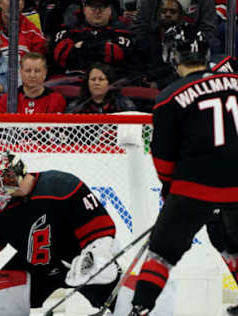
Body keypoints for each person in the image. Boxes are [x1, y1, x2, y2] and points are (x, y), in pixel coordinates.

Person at [0, 151, 121, 315]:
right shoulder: (0, 211)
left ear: (18, 173)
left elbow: (98, 229)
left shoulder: (61, 185)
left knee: (128, 305)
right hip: (36, 267)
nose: (1, 188)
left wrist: (99, 254)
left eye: (5, 180)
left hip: (79, 263)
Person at [128, 24, 238, 316]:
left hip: (195, 186)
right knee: (233, 243)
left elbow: (163, 159)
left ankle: (140, 309)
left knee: (161, 254)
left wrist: (170, 192)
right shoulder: (235, 80)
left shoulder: (168, 97)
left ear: (172, 55)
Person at [53, 0, 135, 78]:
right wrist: (102, 48)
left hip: (109, 82)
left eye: (103, 6)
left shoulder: (123, 31)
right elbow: (61, 55)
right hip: (70, 79)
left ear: (110, 10)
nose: (98, 11)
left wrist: (80, 46)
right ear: (84, 9)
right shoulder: (68, 29)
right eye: (93, 6)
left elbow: (117, 56)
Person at [0, 52, 66, 113]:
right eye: (28, 71)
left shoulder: (56, 100)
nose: (32, 75)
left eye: (37, 71)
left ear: (45, 72)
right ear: (21, 72)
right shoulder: (6, 100)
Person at [66, 62, 137, 113]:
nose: (96, 83)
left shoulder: (123, 104)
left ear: (110, 82)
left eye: (101, 79)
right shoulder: (76, 107)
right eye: (93, 79)